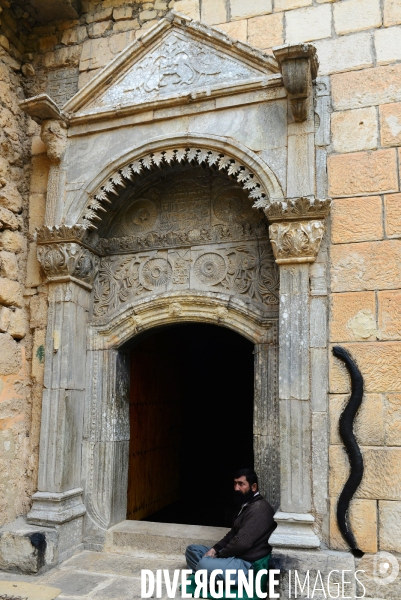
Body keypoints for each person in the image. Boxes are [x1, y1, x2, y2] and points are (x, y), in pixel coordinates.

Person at [185, 468, 276, 587]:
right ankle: (209, 576)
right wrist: (215, 549)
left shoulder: (259, 509)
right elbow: (232, 534)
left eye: (241, 484)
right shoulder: (245, 505)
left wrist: (218, 556)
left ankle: (208, 575)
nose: (236, 488)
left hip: (246, 565)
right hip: (234, 557)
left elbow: (241, 543)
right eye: (235, 483)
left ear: (253, 487)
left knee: (204, 564)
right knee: (192, 550)